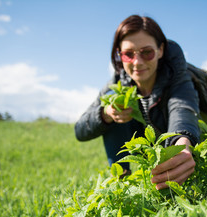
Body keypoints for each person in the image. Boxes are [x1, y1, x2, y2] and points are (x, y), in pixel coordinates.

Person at [74, 15, 200, 190]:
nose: (137, 62)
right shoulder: (116, 86)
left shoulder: (177, 76)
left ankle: (174, 170)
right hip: (149, 147)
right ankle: (122, 184)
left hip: (187, 143)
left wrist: (182, 144)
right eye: (128, 54)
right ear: (120, 54)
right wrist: (106, 114)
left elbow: (182, 109)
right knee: (112, 106)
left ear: (161, 50)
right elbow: (79, 130)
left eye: (147, 52)